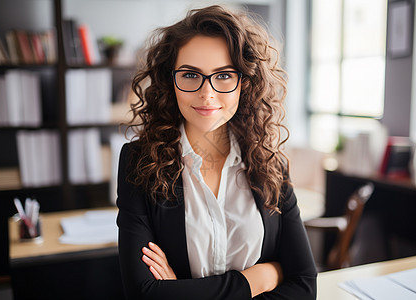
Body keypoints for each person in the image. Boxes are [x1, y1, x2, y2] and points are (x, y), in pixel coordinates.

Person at [117, 5, 317, 299]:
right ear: (169, 81)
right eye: (189, 75)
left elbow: (304, 285)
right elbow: (144, 293)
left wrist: (181, 292)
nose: (206, 94)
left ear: (244, 83)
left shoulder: (269, 163)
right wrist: (259, 278)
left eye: (223, 76)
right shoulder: (139, 162)